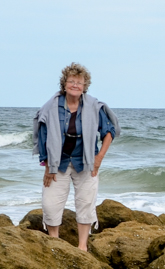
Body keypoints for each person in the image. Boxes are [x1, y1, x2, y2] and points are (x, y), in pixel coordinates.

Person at [33, 63, 119, 251]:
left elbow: (109, 132)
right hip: (58, 162)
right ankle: (55, 243)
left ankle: (82, 246)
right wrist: (48, 166)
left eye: (79, 82)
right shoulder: (51, 108)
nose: (75, 85)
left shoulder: (94, 107)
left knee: (86, 202)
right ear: (64, 84)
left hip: (86, 161)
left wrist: (99, 159)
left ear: (84, 86)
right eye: (71, 81)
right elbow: (43, 138)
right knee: (50, 204)